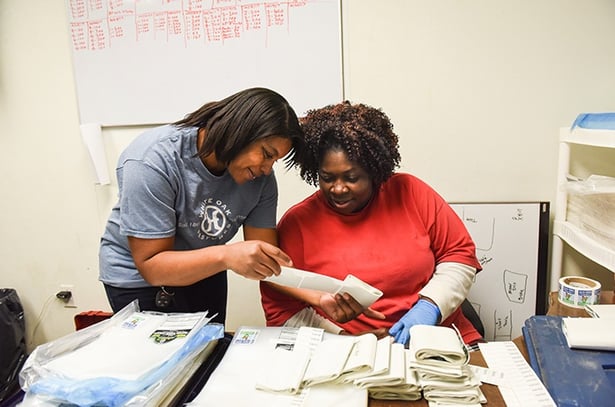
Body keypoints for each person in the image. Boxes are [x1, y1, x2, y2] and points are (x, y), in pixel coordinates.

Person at [260, 101, 483, 346]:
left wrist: (428, 308)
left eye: (352, 177)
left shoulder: (411, 193)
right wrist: (346, 340)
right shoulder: (298, 223)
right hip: (348, 355)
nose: (338, 188)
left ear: (374, 172)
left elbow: (459, 254)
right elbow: (282, 308)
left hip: (438, 341)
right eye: (327, 178)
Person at [99, 87, 304, 325]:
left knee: (208, 350)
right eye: (267, 154)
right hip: (140, 279)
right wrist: (227, 255)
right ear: (240, 132)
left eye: (275, 160)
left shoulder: (261, 180)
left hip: (207, 268)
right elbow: (152, 266)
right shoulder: (152, 160)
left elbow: (270, 263)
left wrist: (321, 298)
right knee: (164, 359)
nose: (268, 169)